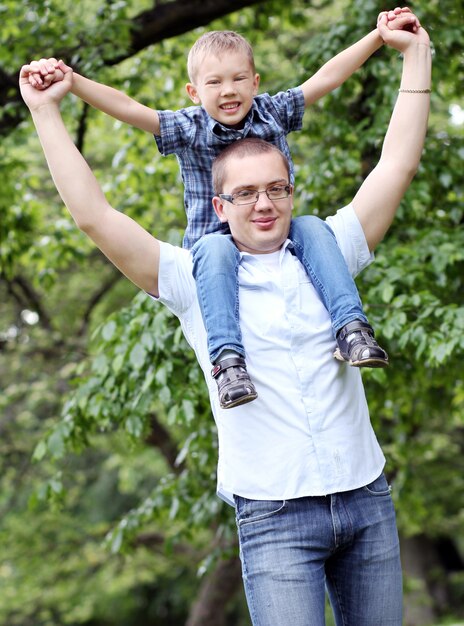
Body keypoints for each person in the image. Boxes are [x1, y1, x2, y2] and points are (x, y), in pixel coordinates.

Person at [20, 10, 431, 624]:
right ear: (219, 203)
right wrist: (47, 109)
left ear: (291, 188)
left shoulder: (330, 252)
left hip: (366, 498)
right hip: (274, 514)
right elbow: (95, 217)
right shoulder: (193, 278)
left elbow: (395, 164)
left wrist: (413, 54)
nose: (263, 203)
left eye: (276, 188)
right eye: (244, 193)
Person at [26, 8, 419, 409]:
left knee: (314, 228)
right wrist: (73, 83)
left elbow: (326, 78)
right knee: (215, 251)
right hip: (212, 240)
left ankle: (351, 328)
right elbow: (128, 108)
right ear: (194, 93)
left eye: (238, 79)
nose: (228, 90)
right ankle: (228, 362)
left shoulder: (272, 111)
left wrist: (377, 37)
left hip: (272, 229)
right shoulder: (189, 126)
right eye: (214, 82)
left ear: (255, 82)